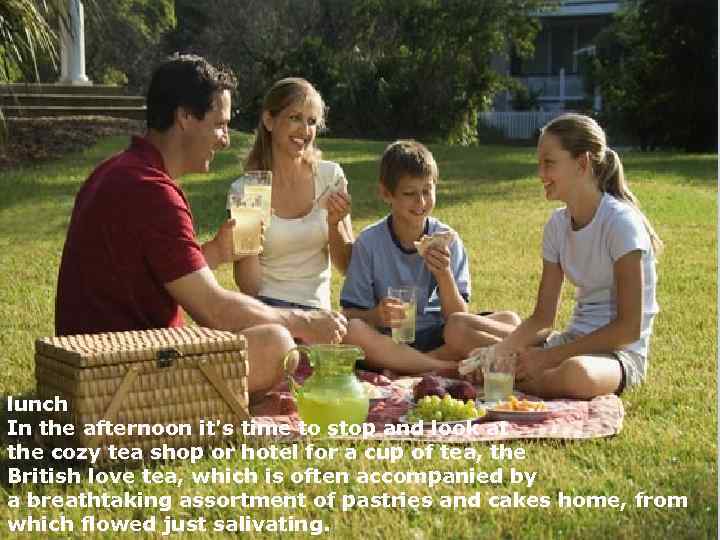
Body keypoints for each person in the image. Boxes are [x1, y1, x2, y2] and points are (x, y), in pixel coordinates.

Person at [55, 54, 347, 395]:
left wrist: (219, 251)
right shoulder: (152, 192)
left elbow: (158, 279)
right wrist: (306, 322)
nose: (225, 139)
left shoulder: (118, 170)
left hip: (93, 363)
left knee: (265, 336)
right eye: (219, 124)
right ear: (185, 117)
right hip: (117, 375)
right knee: (275, 344)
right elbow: (215, 310)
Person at [449, 113, 662, 399]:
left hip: (617, 355)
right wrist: (497, 351)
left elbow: (628, 330)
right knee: (458, 328)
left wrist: (546, 358)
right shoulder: (557, 226)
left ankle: (510, 377)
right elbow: (542, 317)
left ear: (582, 163)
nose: (541, 174)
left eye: (549, 163)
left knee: (576, 375)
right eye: (539, 163)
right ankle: (507, 371)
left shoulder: (620, 224)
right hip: (570, 342)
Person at [341, 140, 517, 374]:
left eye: (427, 191)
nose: (421, 202)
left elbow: (458, 317)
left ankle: (410, 365)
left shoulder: (448, 240)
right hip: (389, 340)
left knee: (509, 320)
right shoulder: (369, 242)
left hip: (439, 336)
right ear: (386, 193)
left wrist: (444, 275)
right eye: (410, 194)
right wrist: (376, 315)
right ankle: (444, 367)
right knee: (352, 330)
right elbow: (349, 314)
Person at [233, 77, 353, 311]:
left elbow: (347, 266)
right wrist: (250, 237)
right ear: (269, 120)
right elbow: (249, 287)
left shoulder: (330, 177)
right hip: (267, 311)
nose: (305, 131)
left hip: (316, 312)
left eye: (312, 121)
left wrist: (335, 224)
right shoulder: (248, 189)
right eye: (295, 118)